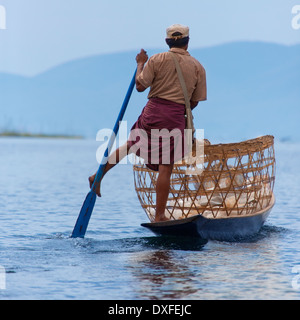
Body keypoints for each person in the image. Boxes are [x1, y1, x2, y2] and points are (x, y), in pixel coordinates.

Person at [89, 24, 207, 222]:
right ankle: (159, 215)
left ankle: (98, 175)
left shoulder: (157, 59)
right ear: (188, 42)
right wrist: (176, 108)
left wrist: (140, 64)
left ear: (167, 41)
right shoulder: (197, 67)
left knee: (131, 145)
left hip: (153, 111)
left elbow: (140, 86)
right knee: (166, 165)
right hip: (175, 116)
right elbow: (194, 102)